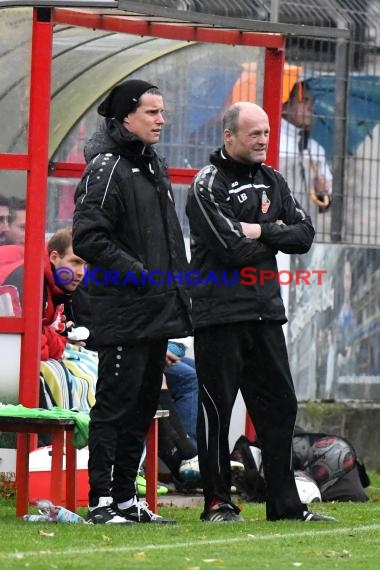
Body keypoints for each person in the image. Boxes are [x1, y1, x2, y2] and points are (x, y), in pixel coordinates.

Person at [186, 101, 337, 523]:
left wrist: (260, 230)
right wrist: (275, 235)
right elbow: (232, 248)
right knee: (217, 409)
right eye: (254, 133)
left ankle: (285, 505)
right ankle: (216, 502)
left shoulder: (273, 179)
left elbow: (305, 234)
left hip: (266, 312)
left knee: (280, 407)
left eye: (267, 133)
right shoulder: (207, 184)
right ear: (229, 135)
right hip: (220, 315)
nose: (263, 140)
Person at [72, 79, 192, 525]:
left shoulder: (151, 166)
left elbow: (167, 241)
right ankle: (100, 501)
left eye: (162, 111)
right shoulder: (106, 168)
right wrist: (139, 274)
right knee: (115, 405)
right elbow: (88, 237)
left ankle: (127, 499)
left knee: (144, 407)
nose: (161, 120)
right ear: (125, 117)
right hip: (124, 309)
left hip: (156, 311)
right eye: (152, 112)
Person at [280, 80, 332, 218]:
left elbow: (325, 203)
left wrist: (322, 192)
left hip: (306, 233)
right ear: (284, 106)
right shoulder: (269, 142)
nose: (311, 108)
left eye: (312, 102)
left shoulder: (315, 148)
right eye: (304, 100)